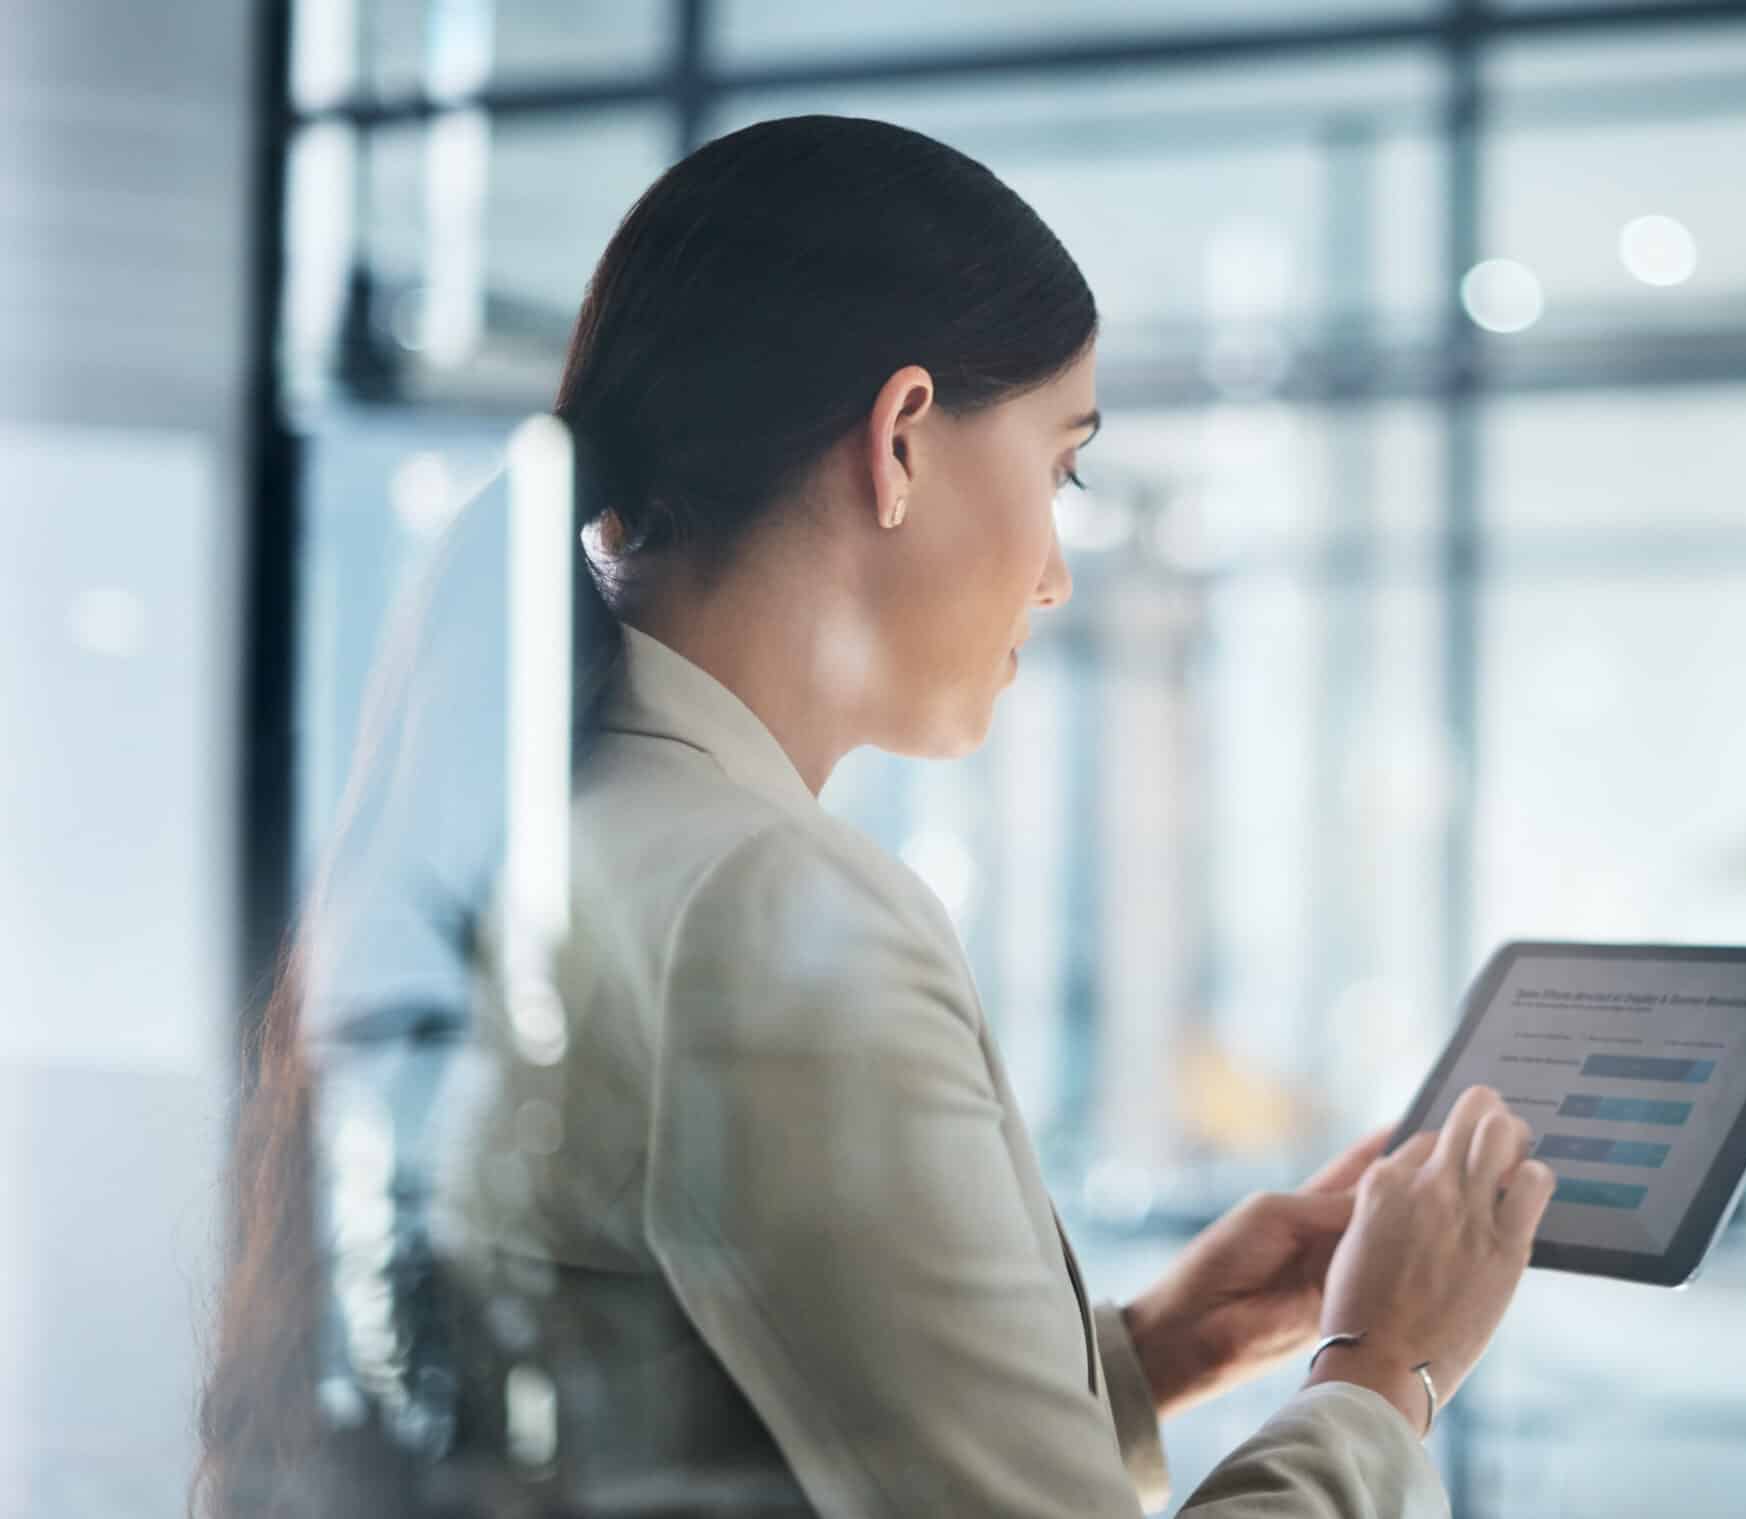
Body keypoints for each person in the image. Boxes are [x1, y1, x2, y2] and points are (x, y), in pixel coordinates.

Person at [198, 114, 1554, 1518]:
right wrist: (1385, 1367)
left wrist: (1172, 1348)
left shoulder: (575, 830)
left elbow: (688, 1420)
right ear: (901, 439)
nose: (1055, 575)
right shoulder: (765, 901)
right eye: (1061, 467)